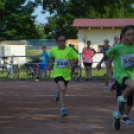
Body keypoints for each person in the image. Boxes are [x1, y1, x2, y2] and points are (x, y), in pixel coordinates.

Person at [96, 25, 134, 130]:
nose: (132, 37)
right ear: (123, 37)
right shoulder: (117, 47)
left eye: (133, 35)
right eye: (129, 35)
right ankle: (122, 100)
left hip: (131, 75)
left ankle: (118, 116)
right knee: (130, 89)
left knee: (130, 99)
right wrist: (99, 64)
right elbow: (106, 55)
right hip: (119, 74)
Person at [48, 32, 78, 117]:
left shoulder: (69, 50)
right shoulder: (54, 50)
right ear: (56, 42)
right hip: (57, 73)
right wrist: (50, 64)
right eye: (60, 41)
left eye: (64, 40)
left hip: (66, 74)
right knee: (63, 88)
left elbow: (76, 59)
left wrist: (72, 62)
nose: (62, 42)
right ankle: (63, 109)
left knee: (62, 89)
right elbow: (52, 57)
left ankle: (57, 94)